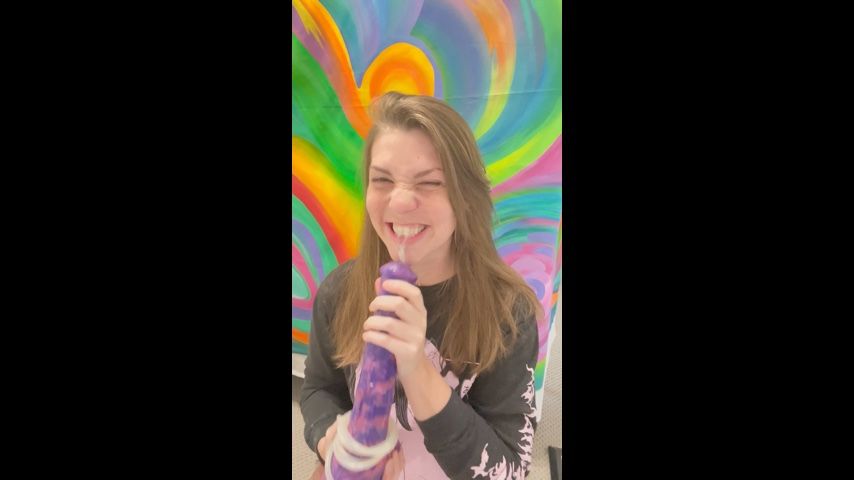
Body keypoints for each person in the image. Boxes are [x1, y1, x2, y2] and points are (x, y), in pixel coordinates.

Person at [300, 92, 542, 479]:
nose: (399, 202)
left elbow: (509, 469)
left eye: (429, 182)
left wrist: (417, 368)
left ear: (466, 198)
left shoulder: (509, 315)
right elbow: (319, 388)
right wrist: (331, 442)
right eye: (382, 180)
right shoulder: (340, 291)